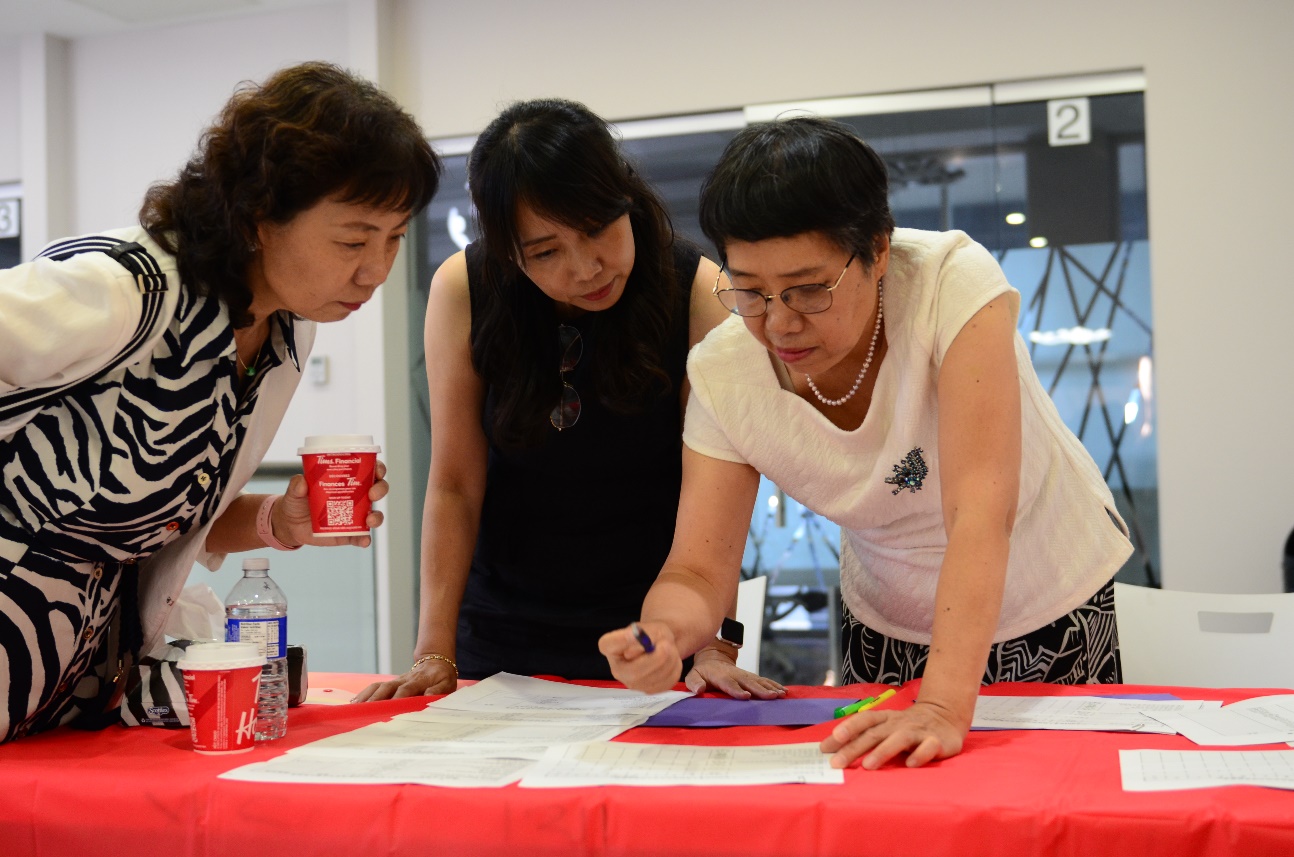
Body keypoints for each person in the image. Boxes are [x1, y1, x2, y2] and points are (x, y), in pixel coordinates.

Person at [600, 116, 1133, 768]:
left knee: (1046, 806)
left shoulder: (951, 283)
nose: (780, 321)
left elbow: (979, 513)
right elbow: (697, 571)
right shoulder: (723, 371)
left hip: (1043, 597)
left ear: (878, 251)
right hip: (883, 617)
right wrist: (663, 632)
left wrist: (941, 705)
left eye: (808, 288)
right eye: (751, 291)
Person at [0, 61, 442, 743]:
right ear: (260, 216)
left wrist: (279, 520)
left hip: (70, 702)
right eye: (354, 240)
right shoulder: (130, 292)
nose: (377, 271)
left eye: (395, 239)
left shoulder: (285, 331)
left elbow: (171, 509)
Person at [355, 99, 783, 702]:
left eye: (597, 227)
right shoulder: (463, 289)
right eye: (546, 251)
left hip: (654, 634)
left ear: (625, 198)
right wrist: (434, 649)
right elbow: (454, 483)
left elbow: (716, 496)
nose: (586, 268)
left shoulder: (697, 292)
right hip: (499, 634)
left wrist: (716, 646)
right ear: (508, 251)